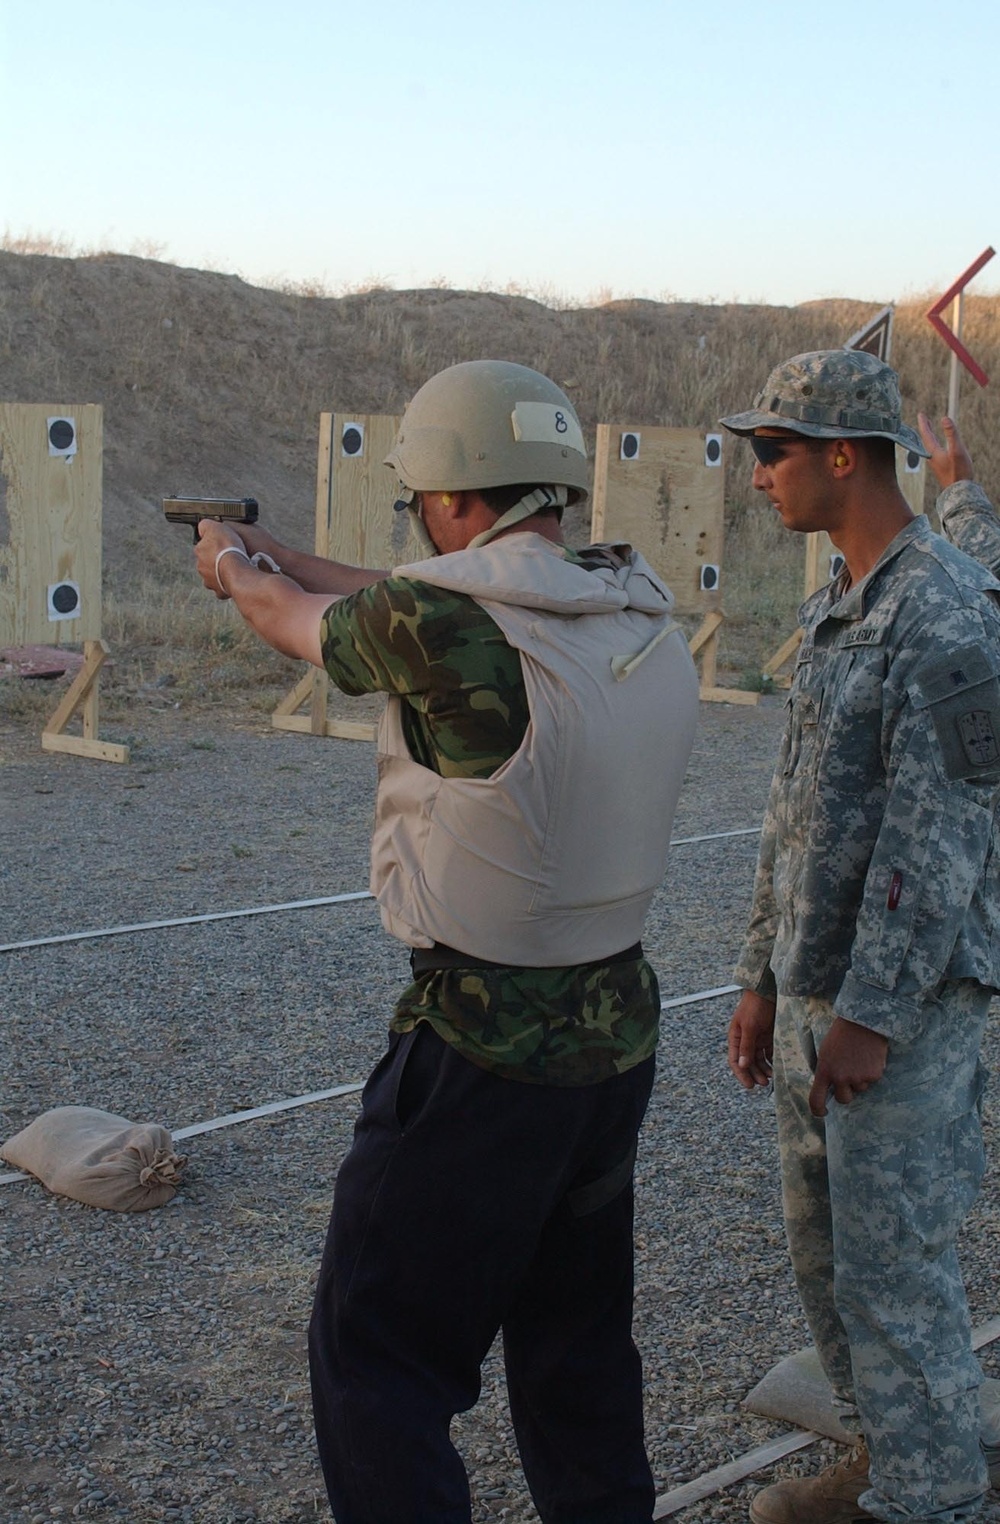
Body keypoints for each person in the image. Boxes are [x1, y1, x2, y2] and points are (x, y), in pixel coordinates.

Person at [192, 359, 700, 1524]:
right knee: (576, 1356)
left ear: (454, 492)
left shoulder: (436, 621)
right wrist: (271, 552)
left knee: (378, 1360)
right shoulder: (632, 600)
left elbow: (292, 619)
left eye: (424, 493)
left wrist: (228, 563)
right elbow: (410, 588)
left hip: (477, 1050)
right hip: (614, 1039)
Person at [721, 349, 1000, 1524]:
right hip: (814, 996)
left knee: (894, 1279)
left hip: (903, 1013)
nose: (756, 478)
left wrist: (871, 1015)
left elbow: (939, 842)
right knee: (829, 1270)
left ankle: (936, 1500)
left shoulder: (942, 610)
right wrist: (757, 980)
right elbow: (794, 815)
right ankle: (897, 1462)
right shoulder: (840, 600)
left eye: (772, 451)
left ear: (845, 455)